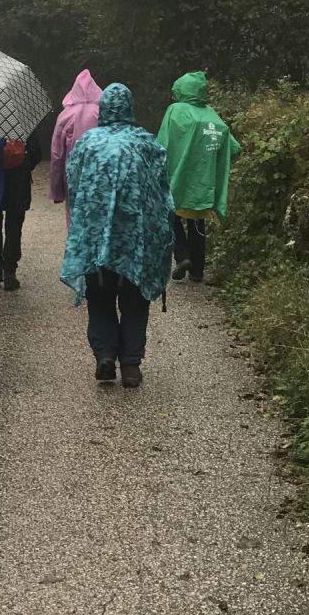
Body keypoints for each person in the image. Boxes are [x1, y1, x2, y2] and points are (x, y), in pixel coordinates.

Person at [60, 82, 175, 389]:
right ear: (129, 108)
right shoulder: (146, 143)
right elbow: (163, 191)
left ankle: (106, 354)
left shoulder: (87, 143)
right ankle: (131, 364)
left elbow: (74, 184)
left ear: (104, 110)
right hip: (136, 240)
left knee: (99, 296)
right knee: (135, 298)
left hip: (96, 238)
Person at [156, 70, 241, 284]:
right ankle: (197, 271)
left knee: (170, 216)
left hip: (179, 179)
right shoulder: (211, 114)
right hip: (204, 183)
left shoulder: (175, 111)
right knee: (197, 222)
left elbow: (161, 144)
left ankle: (182, 255)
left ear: (181, 91)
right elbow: (233, 147)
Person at [0, 129, 43, 291]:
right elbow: (36, 153)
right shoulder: (22, 123)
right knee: (14, 226)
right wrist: (25, 166)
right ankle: (10, 271)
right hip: (18, 180)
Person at [49, 69, 103, 219]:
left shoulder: (65, 116)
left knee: (75, 216)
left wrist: (57, 190)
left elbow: (57, 154)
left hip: (73, 174)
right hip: (100, 172)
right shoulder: (102, 113)